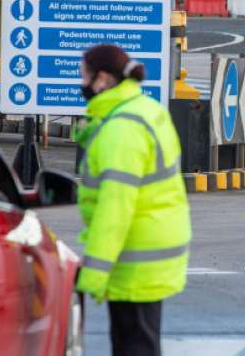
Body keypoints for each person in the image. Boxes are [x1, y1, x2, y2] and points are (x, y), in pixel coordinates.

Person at [74, 44, 191, 356]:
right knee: (140, 342)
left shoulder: (121, 130)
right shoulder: (143, 109)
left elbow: (115, 208)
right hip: (150, 246)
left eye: (83, 74)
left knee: (134, 346)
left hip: (135, 255)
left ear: (102, 79)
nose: (80, 83)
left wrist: (95, 273)